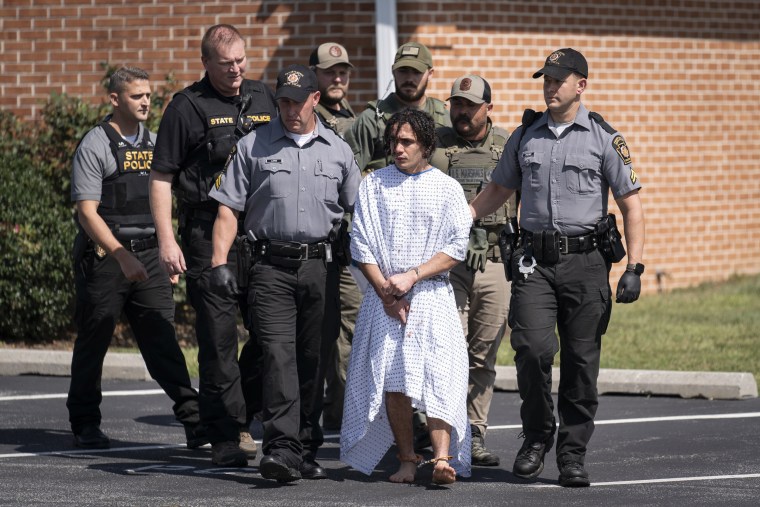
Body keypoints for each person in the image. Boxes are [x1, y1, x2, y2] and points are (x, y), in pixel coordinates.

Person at [469, 48, 646, 487]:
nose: (549, 87)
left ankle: (572, 453)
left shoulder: (604, 136)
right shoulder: (526, 136)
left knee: (582, 362)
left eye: (557, 80)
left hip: (587, 263)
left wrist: (635, 267)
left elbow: (631, 204)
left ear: (580, 85)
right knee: (531, 349)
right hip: (534, 263)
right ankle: (536, 436)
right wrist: (462, 218)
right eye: (545, 80)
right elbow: (498, 188)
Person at [208, 64, 360, 483]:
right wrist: (219, 262)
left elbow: (359, 211)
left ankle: (307, 445)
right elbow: (227, 209)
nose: (291, 110)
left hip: (321, 266)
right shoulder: (252, 146)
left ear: (316, 99)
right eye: (284, 102)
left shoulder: (338, 150)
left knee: (313, 357)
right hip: (268, 266)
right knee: (277, 354)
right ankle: (280, 447)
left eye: (299, 101)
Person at [149, 24, 278, 467]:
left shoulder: (264, 98)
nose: (237, 69)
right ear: (206, 64)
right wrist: (167, 241)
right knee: (218, 337)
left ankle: (239, 408)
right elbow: (161, 177)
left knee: (269, 332)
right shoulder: (186, 107)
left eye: (241, 60)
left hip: (259, 234)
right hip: (205, 235)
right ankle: (226, 433)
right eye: (226, 64)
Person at [67, 67, 205, 450]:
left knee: (162, 339)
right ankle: (84, 422)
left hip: (149, 254)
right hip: (106, 257)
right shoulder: (96, 144)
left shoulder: (157, 143)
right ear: (115, 99)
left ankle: (195, 423)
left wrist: (168, 248)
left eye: (148, 95)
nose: (146, 101)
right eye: (135, 96)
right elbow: (87, 212)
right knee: (94, 341)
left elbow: (166, 203)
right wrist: (120, 256)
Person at [340, 108, 473, 485]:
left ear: (426, 145)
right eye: (393, 141)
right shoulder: (374, 184)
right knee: (393, 382)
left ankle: (442, 459)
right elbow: (361, 243)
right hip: (384, 301)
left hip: (431, 296)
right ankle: (407, 460)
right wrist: (388, 294)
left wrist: (413, 276)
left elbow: (455, 248)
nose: (398, 149)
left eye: (407, 142)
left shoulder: (447, 187)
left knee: (439, 377)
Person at [429, 74, 515, 467]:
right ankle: (443, 431)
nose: (461, 112)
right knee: (449, 352)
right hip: (449, 265)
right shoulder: (435, 147)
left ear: (488, 109)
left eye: (470, 105)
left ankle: (475, 433)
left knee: (483, 354)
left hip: (496, 260)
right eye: (456, 104)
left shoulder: (508, 147)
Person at [308, 42, 359, 431]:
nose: (337, 77)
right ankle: (334, 409)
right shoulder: (312, 119)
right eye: (329, 72)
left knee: (349, 325)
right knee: (324, 328)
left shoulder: (352, 118)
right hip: (320, 240)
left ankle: (340, 407)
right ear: (315, 77)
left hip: (348, 241)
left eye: (342, 71)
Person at [345, 41, 451, 176]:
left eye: (416, 72)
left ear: (430, 73)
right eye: (403, 71)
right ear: (393, 71)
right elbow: (350, 173)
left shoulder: (444, 117)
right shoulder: (372, 118)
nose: (409, 78)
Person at [310, 41, 356, 137]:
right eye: (329, 72)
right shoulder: (309, 119)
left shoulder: (345, 106)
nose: (337, 79)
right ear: (312, 75)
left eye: (343, 73)